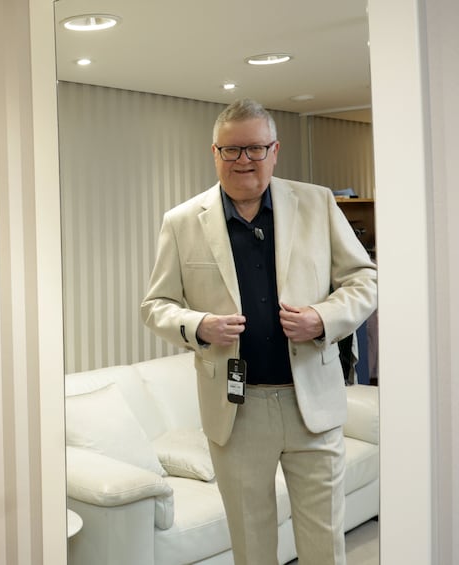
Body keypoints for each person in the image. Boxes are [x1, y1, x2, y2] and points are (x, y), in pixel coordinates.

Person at [141, 98, 376, 565]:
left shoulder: (316, 202)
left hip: (310, 401)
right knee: (251, 544)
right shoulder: (183, 221)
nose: (243, 160)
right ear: (214, 153)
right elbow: (156, 306)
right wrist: (199, 325)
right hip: (237, 411)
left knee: (323, 542)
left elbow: (364, 280)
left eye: (254, 148)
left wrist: (322, 318)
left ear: (275, 150)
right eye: (231, 150)